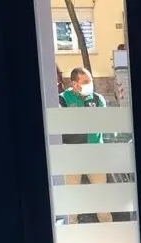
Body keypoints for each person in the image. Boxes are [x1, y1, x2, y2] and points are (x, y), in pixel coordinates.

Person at [58, 67, 111, 223]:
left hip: (95, 154)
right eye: (86, 82)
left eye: (91, 81)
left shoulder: (97, 99)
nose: (90, 84)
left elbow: (102, 122)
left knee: (102, 197)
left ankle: (109, 230)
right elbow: (63, 125)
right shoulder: (63, 99)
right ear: (75, 84)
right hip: (72, 155)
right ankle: (72, 233)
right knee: (72, 198)